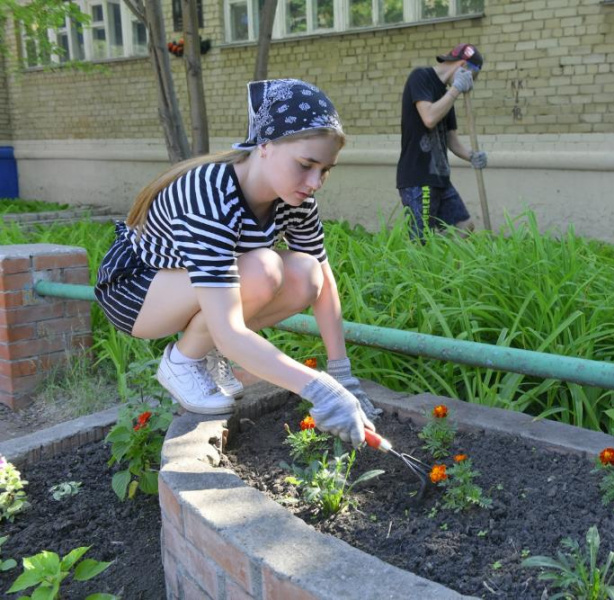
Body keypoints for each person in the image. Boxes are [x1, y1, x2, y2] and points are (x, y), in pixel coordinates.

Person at [94, 79, 380, 447]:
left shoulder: (295, 200)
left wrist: (343, 375)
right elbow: (229, 327)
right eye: (306, 164)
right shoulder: (210, 193)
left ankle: (202, 351)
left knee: (306, 273)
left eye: (325, 170)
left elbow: (323, 280)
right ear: (265, 144)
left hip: (192, 287)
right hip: (137, 289)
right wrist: (321, 390)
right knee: (263, 269)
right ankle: (182, 361)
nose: (315, 182)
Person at [396, 43, 488, 240]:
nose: (469, 85)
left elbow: (451, 141)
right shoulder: (421, 77)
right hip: (418, 178)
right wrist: (455, 90)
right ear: (463, 65)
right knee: (421, 241)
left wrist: (472, 156)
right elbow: (429, 118)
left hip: (440, 178)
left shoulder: (446, 95)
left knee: (464, 226)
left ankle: (442, 267)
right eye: (472, 78)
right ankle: (420, 269)